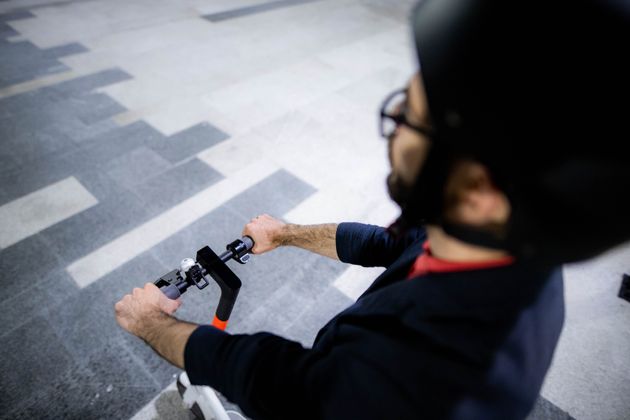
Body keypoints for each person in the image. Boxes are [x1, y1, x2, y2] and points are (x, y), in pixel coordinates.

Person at [115, 1, 630, 419]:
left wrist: (154, 326)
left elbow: (290, 387)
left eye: (412, 118)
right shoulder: (506, 247)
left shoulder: (419, 378)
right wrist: (285, 233)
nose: (394, 123)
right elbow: (388, 244)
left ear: (479, 188)